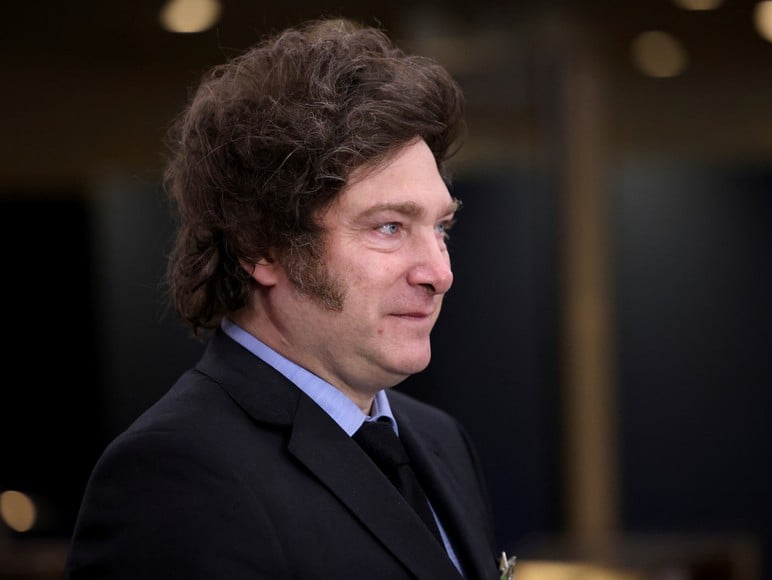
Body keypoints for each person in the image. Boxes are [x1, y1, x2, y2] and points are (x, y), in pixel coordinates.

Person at [63, 16, 503, 580]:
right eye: (389, 227)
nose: (438, 273)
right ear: (260, 245)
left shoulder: (441, 441)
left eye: (440, 227)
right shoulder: (173, 475)